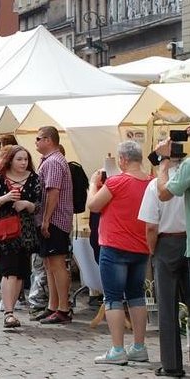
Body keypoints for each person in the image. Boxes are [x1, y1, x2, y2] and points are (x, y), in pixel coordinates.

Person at [87, 140, 152, 365]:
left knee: (113, 298)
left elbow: (94, 205)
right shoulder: (151, 182)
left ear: (122, 159)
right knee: (137, 296)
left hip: (115, 246)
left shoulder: (117, 182)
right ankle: (139, 346)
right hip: (141, 246)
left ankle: (117, 349)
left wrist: (93, 184)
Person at [0, 145, 41, 329]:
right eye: (19, 159)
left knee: (21, 272)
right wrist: (5, 198)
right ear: (10, 160)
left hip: (26, 232)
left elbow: (38, 205)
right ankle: (8, 313)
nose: (23, 163)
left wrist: (27, 204)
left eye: (25, 159)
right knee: (9, 271)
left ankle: (11, 309)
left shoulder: (33, 179)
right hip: (5, 231)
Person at [138, 159, 188, 377]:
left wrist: (152, 251)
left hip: (166, 243)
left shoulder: (154, 184)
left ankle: (171, 364)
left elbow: (150, 226)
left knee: (167, 308)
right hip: (187, 241)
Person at [32, 126, 74, 325]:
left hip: (55, 220)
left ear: (49, 140)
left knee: (57, 264)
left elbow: (53, 192)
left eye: (38, 138)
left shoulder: (54, 162)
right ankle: (53, 305)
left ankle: (63, 308)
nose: (36, 142)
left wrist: (47, 219)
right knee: (49, 264)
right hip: (50, 219)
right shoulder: (49, 161)